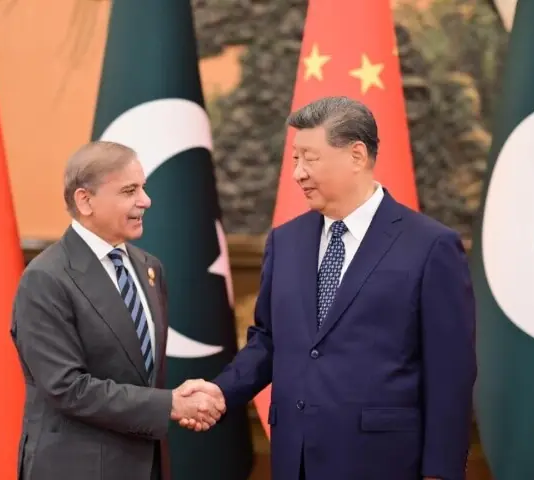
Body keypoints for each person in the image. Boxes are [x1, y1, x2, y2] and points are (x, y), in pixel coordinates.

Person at [179, 96, 476, 480]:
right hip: (296, 459)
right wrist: (221, 392)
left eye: (310, 158)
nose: (298, 173)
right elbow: (269, 340)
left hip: (384, 463)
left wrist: (441, 472)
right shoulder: (285, 240)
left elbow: (451, 372)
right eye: (294, 159)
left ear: (356, 156)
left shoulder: (430, 246)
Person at [10, 141, 224, 480]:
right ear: (85, 200)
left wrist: (179, 400)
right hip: (76, 468)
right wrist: (170, 404)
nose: (146, 200)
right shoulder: (45, 278)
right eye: (129, 190)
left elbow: (140, 372)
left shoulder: (149, 268)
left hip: (146, 464)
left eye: (143, 188)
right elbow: (67, 388)